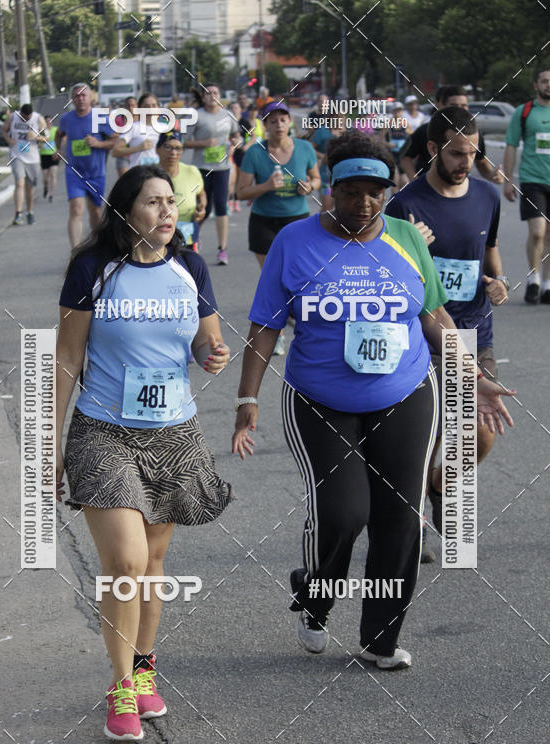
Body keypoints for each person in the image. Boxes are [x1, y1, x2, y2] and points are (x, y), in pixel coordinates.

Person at [231, 132, 514, 668]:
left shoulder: (406, 237)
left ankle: (380, 639)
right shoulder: (294, 241)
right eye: (352, 191)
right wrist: (249, 397)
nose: (364, 203)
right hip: (320, 399)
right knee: (344, 514)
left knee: (400, 517)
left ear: (390, 190)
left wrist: (471, 375)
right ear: (330, 189)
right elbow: (266, 325)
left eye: (376, 192)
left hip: (403, 392)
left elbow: (434, 316)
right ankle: (315, 599)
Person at [55, 164, 232, 741]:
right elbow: (66, 361)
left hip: (174, 434)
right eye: (153, 202)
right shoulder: (93, 270)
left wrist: (213, 353)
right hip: (104, 432)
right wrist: (48, 445)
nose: (166, 211)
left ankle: (144, 667)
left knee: (153, 565)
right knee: (126, 563)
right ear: (127, 210)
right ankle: (121, 685)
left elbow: (207, 337)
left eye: (170, 202)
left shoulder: (191, 267)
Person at [387, 106, 509, 544]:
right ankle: (413, 519)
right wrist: (412, 247)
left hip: (477, 328)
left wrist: (499, 281)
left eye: (473, 154)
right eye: (457, 154)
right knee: (429, 431)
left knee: (478, 434)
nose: (466, 164)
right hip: (426, 332)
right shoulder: (406, 203)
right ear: (435, 149)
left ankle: (439, 484)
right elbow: (389, 273)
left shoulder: (488, 197)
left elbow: (489, 251)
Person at [236, 100, 320, 355]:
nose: (279, 124)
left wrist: (310, 186)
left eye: (283, 119)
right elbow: (240, 192)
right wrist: (266, 187)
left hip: (297, 221)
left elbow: (316, 178)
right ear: (266, 125)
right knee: (274, 281)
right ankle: (279, 334)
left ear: (290, 122)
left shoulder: (305, 148)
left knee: (301, 279)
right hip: (264, 222)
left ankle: (307, 330)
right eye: (273, 120)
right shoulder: (254, 152)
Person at [503, 67, 550, 304]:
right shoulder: (524, 112)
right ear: (536, 85)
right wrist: (509, 179)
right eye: (544, 81)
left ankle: (548, 284)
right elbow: (511, 145)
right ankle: (534, 279)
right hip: (533, 180)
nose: (548, 85)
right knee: (538, 232)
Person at [183, 84, 241, 265]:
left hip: (222, 168)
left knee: (221, 207)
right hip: (201, 168)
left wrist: (235, 144)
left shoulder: (228, 115)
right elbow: (184, 142)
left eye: (215, 92)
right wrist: (204, 142)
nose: (212, 96)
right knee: (202, 208)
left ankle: (222, 249)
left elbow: (236, 136)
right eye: (208, 93)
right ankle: (192, 242)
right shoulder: (196, 115)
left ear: (220, 95)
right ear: (203, 96)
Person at [56, 83, 119, 248]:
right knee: (76, 209)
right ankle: (75, 251)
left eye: (84, 95)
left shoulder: (100, 118)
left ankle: (98, 247)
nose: (81, 99)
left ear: (91, 98)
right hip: (74, 172)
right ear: (72, 99)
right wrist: (59, 149)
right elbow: (59, 133)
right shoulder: (66, 119)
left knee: (96, 212)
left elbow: (115, 140)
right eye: (77, 96)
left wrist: (98, 144)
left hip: (96, 172)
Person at [401, 85, 504, 184]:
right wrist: (415, 181)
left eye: (463, 106)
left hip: (458, 192)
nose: (459, 109)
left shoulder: (473, 134)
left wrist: (493, 175)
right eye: (454, 106)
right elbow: (405, 157)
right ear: (440, 105)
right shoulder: (425, 131)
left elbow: (481, 162)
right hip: (427, 192)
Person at [156, 130, 206, 250]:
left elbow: (201, 194)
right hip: (157, 235)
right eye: (168, 147)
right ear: (157, 149)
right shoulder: (149, 174)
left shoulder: (192, 172)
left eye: (178, 148)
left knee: (188, 267)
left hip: (187, 233)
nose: (173, 152)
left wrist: (202, 208)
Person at [3, 103, 47, 225]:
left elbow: (47, 137)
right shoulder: (12, 117)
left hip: (32, 158)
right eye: (23, 117)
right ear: (20, 113)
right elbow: (4, 130)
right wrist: (9, 140)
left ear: (31, 114)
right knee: (19, 183)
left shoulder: (38, 118)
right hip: (17, 155)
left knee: (30, 188)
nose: (25, 120)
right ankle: (18, 214)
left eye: (27, 118)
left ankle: (30, 211)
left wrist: (36, 137)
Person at [111, 92, 161, 174]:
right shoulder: (133, 127)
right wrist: (138, 148)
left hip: (159, 176)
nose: (150, 109)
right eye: (146, 106)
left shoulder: (165, 129)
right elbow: (115, 152)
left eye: (154, 105)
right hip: (138, 176)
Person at [379, 100, 408, 192]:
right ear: (392, 112)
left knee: (405, 182)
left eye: (399, 110)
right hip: (392, 154)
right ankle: (394, 201)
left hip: (403, 154)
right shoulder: (388, 124)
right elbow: (381, 140)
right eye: (395, 110)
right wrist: (387, 144)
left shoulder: (406, 124)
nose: (397, 112)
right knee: (395, 180)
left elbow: (413, 138)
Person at [113, 96, 138, 177]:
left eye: (133, 105)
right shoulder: (118, 120)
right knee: (125, 181)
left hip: (138, 155)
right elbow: (113, 135)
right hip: (123, 155)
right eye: (128, 106)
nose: (130, 108)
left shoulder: (142, 120)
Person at [39, 112, 59, 203]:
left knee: (53, 175)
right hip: (44, 155)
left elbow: (61, 140)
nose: (48, 123)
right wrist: (40, 144)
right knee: (45, 177)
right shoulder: (42, 131)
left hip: (54, 155)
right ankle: (45, 187)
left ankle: (51, 195)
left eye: (50, 121)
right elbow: (37, 141)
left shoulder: (56, 130)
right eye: (46, 122)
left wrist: (59, 150)